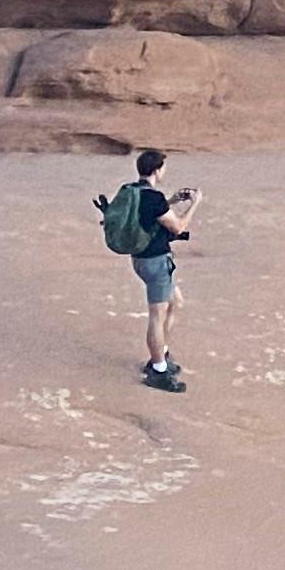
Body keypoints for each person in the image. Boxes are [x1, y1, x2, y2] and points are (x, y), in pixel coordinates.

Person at [105, 148, 193, 391]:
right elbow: (177, 226)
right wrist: (194, 205)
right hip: (156, 262)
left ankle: (161, 352)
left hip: (141, 259)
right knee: (157, 315)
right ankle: (158, 369)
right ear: (157, 170)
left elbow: (148, 214)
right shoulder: (153, 199)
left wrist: (172, 201)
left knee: (176, 302)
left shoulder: (132, 191)